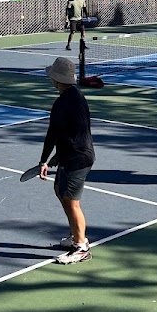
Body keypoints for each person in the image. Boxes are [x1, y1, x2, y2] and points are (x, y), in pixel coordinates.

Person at [37, 57, 96, 264]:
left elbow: (53, 134)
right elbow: (70, 132)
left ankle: (81, 247)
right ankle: (75, 234)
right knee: (60, 191)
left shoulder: (63, 103)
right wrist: (57, 156)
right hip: (72, 154)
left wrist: (44, 161)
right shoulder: (76, 96)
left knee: (71, 202)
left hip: (77, 158)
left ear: (56, 79)